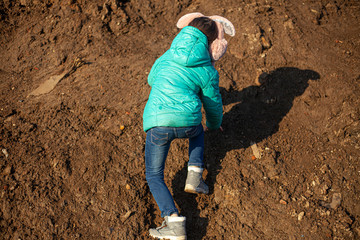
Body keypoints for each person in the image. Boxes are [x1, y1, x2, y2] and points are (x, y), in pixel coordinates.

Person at [143, 14, 234, 240]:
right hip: (188, 122)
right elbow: (213, 105)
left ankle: (172, 220)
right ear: (213, 45)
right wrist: (214, 125)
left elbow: (152, 79)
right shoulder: (207, 69)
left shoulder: (167, 56)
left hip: (158, 123)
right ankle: (194, 175)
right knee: (199, 131)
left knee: (154, 175)